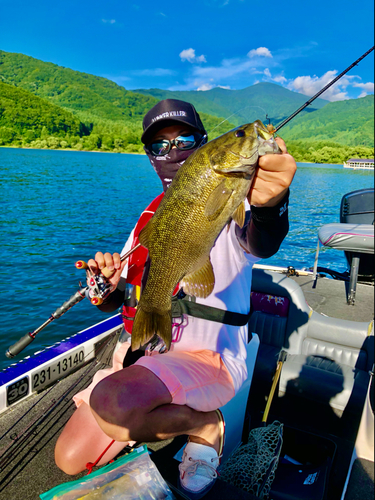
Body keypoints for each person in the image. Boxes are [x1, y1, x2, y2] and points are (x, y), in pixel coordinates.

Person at [55, 99, 296, 498]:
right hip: (146, 358)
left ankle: (205, 426)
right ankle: (143, 412)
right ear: (150, 158)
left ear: (202, 144)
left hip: (208, 356)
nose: (172, 152)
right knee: (69, 457)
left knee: (114, 404)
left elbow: (261, 239)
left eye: (183, 139)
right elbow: (125, 302)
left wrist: (272, 205)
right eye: (159, 146)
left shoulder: (236, 199)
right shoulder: (148, 221)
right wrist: (108, 287)